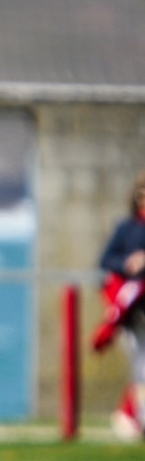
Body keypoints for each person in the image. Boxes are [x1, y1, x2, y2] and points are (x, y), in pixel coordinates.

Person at [93, 170, 145, 439]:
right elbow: (106, 261)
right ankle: (136, 417)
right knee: (141, 363)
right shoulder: (127, 229)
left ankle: (129, 414)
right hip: (135, 310)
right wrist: (128, 263)